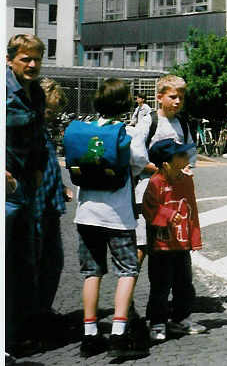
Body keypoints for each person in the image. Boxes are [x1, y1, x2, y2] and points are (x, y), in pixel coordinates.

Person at [71, 78, 146, 359]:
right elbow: (139, 164)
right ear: (126, 105)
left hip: (86, 212)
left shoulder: (84, 131)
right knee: (127, 270)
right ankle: (118, 333)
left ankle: (90, 335)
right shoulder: (130, 133)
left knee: (91, 272)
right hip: (118, 215)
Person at [5, 34, 47, 356]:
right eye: (25, 58)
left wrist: (36, 176)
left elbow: (37, 141)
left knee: (20, 264)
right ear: (10, 59)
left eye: (36, 59)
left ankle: (14, 336)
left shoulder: (36, 94)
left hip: (24, 189)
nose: (32, 64)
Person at [142, 138, 206, 342]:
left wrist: (195, 237)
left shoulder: (187, 180)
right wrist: (168, 215)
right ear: (166, 162)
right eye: (180, 155)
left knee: (184, 283)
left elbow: (192, 210)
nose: (186, 157)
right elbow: (148, 209)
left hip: (182, 244)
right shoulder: (155, 183)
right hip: (161, 246)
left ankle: (180, 318)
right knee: (160, 285)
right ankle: (157, 321)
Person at [130, 75, 195, 272]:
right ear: (159, 97)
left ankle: (171, 294)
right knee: (142, 245)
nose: (177, 102)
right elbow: (136, 155)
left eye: (181, 98)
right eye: (173, 97)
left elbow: (190, 153)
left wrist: (187, 167)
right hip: (148, 190)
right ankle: (126, 297)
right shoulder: (150, 121)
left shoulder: (182, 123)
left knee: (173, 244)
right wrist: (160, 169)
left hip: (175, 195)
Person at [34, 78, 74, 327]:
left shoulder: (43, 129)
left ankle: (43, 311)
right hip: (35, 207)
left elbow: (47, 165)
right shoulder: (25, 129)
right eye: (50, 109)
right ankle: (28, 320)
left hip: (50, 204)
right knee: (34, 264)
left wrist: (61, 186)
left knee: (53, 261)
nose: (53, 115)